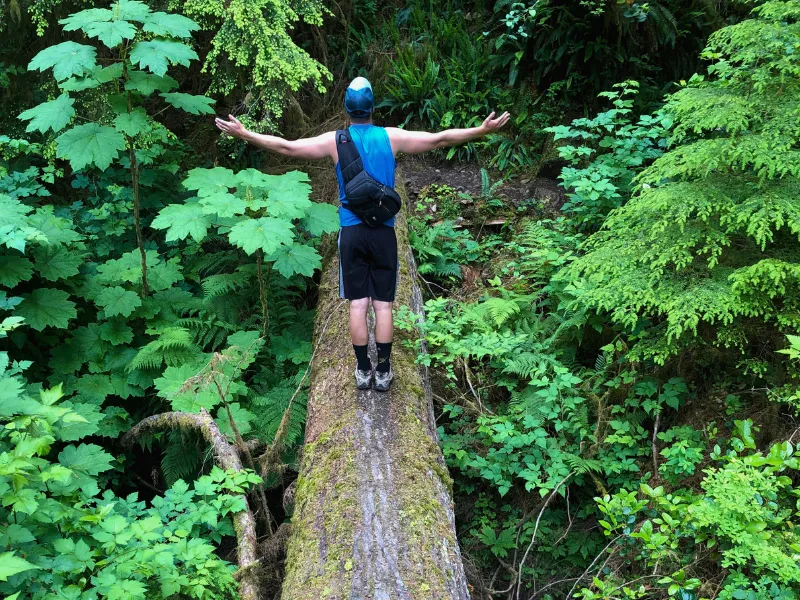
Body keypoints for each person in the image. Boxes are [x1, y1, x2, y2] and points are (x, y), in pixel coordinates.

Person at [215, 77, 510, 392]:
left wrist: (245, 133)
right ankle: (383, 371)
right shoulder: (391, 137)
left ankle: (362, 370)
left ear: (346, 109)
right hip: (382, 231)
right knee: (382, 305)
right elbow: (439, 139)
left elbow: (288, 148)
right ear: (373, 108)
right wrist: (481, 130)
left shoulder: (334, 141)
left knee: (358, 304)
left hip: (352, 232)